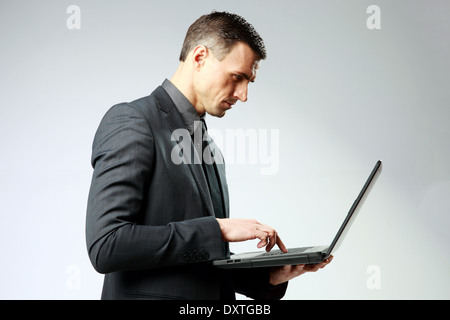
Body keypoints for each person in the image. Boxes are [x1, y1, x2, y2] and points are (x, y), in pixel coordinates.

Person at [86, 11, 332, 300]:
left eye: (249, 82)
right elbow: (107, 245)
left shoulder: (209, 147)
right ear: (200, 57)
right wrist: (217, 229)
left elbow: (196, 260)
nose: (243, 95)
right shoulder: (133, 121)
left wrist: (270, 276)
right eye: (237, 77)